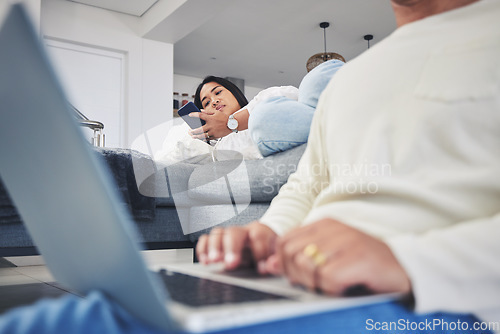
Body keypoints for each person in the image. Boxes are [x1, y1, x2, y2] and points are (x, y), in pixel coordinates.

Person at [1, 0, 499, 333]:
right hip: (297, 283)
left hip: (434, 304)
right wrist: (272, 234)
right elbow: (309, 181)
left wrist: (411, 263)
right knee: (67, 321)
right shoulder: (355, 76)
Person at [155, 59, 343, 162]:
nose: (214, 101)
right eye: (206, 101)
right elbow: (163, 160)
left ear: (234, 92)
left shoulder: (262, 99)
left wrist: (231, 123)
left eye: (218, 92)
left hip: (304, 123)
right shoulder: (215, 145)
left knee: (321, 74)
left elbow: (291, 96)